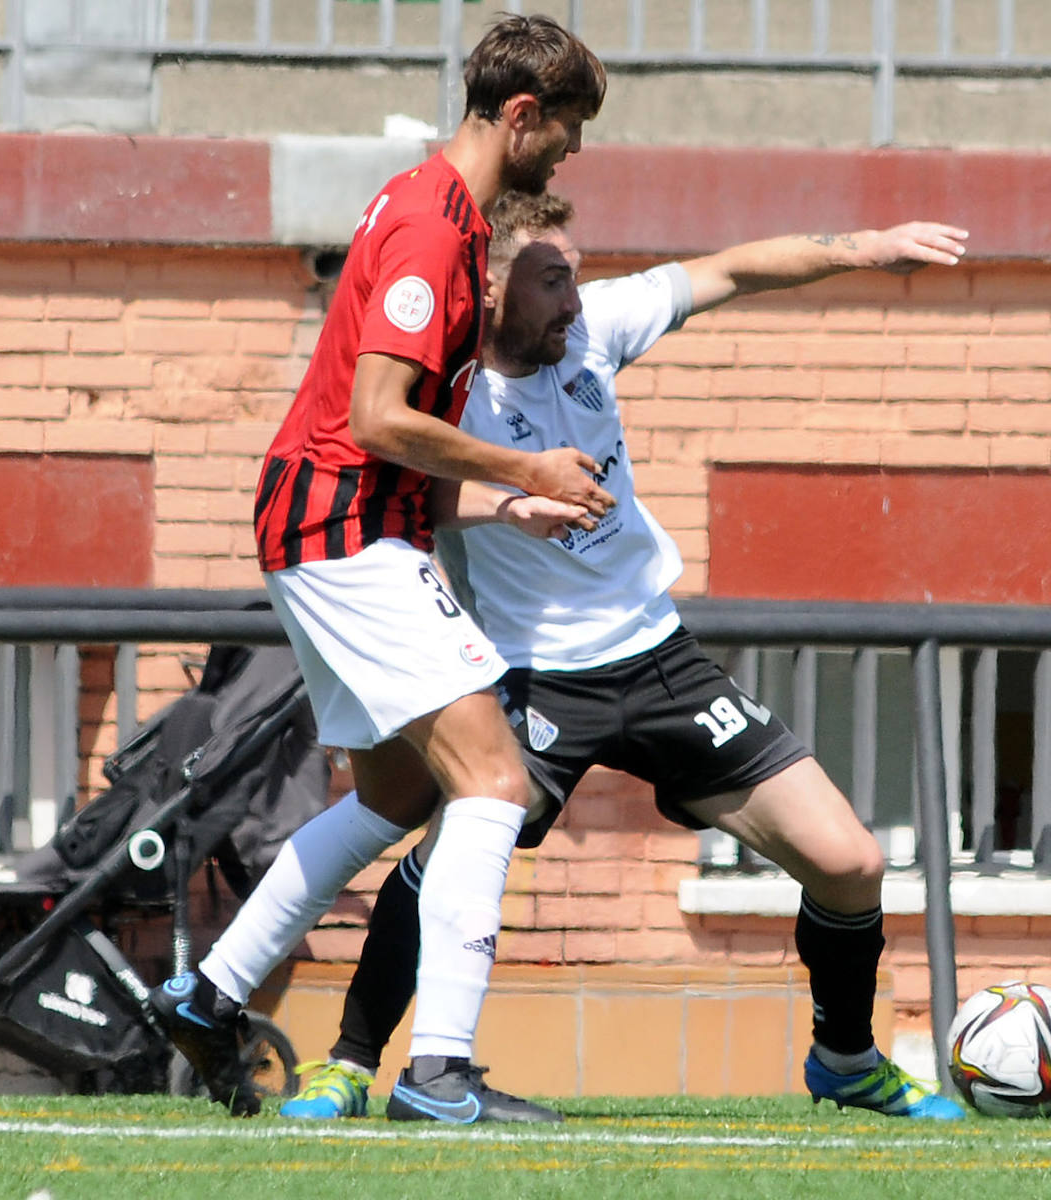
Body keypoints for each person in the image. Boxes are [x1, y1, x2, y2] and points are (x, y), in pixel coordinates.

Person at [278, 191, 971, 1123]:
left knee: (850, 863)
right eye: (552, 279)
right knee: (450, 854)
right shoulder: (444, 394)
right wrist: (509, 497)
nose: (573, 297)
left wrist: (868, 247)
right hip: (531, 675)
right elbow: (398, 503)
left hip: (660, 659)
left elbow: (730, 267)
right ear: (488, 288)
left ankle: (845, 1061)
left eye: (574, 274)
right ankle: (352, 1063)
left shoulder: (595, 328)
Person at [150, 16, 608, 1123]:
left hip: (338, 524)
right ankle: (440, 1072)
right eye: (568, 134)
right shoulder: (430, 227)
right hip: (343, 533)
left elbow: (391, 443)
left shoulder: (430, 211)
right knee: (494, 778)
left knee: (400, 790)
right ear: (520, 117)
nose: (572, 158)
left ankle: (209, 996)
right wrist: (528, 457)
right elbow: (376, 418)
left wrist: (509, 503)